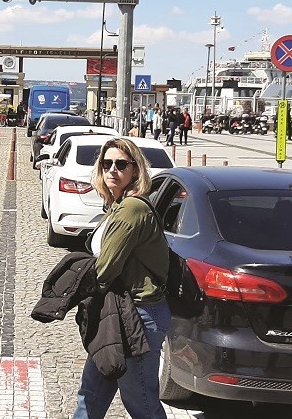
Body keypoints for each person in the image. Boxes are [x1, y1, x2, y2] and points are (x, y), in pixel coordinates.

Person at [74, 138, 171, 419]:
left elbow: (106, 268)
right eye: (107, 164)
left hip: (139, 316)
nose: (112, 170)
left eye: (120, 164)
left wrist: (75, 288)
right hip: (116, 314)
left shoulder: (132, 208)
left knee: (141, 402)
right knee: (90, 395)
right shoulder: (115, 206)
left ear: (135, 171)